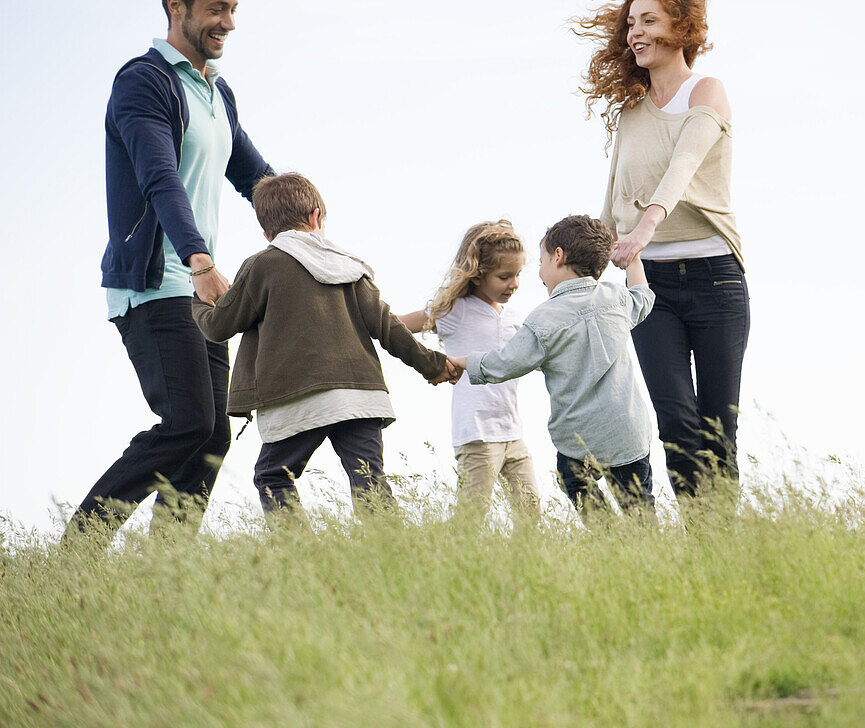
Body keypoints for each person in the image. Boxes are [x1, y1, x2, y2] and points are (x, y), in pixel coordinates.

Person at [64, 0, 273, 542]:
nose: (227, 22)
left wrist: (303, 226)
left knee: (212, 438)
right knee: (187, 423)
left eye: (232, 9)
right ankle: (80, 546)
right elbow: (160, 178)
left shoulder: (216, 91)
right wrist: (199, 260)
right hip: (157, 282)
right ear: (176, 7)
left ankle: (166, 570)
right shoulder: (144, 82)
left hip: (201, 292)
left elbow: (254, 174)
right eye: (214, 9)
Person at [191, 173, 460, 520]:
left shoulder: (261, 265)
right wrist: (434, 364)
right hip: (361, 398)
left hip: (298, 398)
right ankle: (396, 559)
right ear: (316, 216)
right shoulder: (349, 266)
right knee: (369, 483)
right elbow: (388, 327)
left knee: (273, 477)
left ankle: (303, 559)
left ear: (266, 232)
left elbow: (217, 327)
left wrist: (197, 299)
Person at [576, 0, 750, 497]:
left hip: (716, 278)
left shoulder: (707, 92)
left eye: (648, 20)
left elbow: (684, 165)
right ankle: (698, 547)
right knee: (675, 421)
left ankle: (719, 545)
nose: (636, 32)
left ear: (682, 25)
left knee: (718, 428)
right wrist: (582, 277)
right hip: (651, 288)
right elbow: (612, 200)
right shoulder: (631, 111)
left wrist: (647, 224)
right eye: (631, 24)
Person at [452, 215, 656, 517]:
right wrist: (633, 261)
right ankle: (644, 546)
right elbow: (644, 296)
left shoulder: (542, 320)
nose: (540, 271)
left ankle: (608, 535)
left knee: (573, 477)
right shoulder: (616, 298)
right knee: (640, 509)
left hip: (579, 439)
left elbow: (506, 364)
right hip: (627, 432)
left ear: (558, 256)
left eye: (541, 261)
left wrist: (466, 362)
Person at [399, 222, 542, 525]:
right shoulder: (456, 311)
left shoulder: (516, 319)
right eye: (504, 277)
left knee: (531, 512)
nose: (514, 284)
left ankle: (527, 570)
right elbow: (398, 326)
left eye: (517, 275)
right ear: (477, 275)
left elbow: (532, 359)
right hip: (477, 434)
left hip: (513, 433)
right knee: (471, 517)